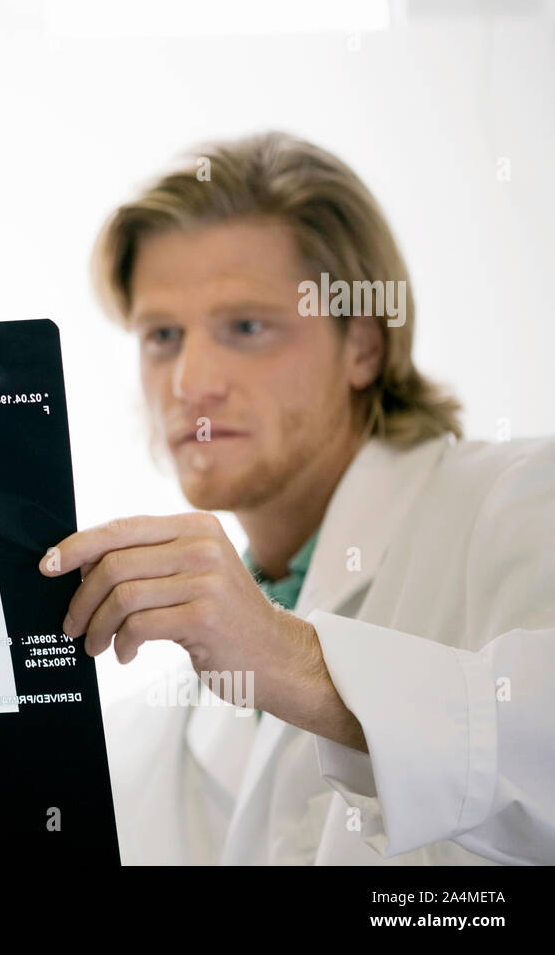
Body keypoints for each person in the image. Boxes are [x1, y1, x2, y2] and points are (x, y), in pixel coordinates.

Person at [39, 130, 555, 865]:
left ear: (363, 346)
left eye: (246, 327)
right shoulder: (146, 736)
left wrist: (290, 659)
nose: (190, 383)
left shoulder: (522, 502)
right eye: (162, 335)